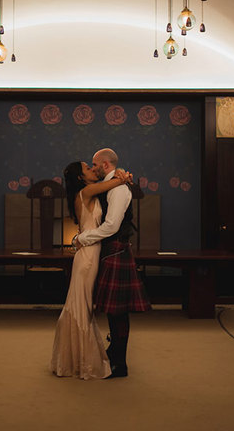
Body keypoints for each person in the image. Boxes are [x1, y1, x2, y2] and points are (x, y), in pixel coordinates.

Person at [73, 148, 151, 378]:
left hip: (116, 250)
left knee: (118, 312)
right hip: (110, 251)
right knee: (112, 310)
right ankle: (115, 353)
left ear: (105, 165)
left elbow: (111, 227)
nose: (93, 168)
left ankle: (120, 363)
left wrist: (82, 239)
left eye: (95, 164)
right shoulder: (111, 184)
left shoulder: (118, 189)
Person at [50, 161, 132, 380]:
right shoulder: (86, 191)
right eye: (88, 168)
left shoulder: (87, 192)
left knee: (82, 305)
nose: (93, 170)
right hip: (88, 256)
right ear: (81, 178)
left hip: (92, 252)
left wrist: (121, 174)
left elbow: (113, 182)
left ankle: (75, 357)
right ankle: (79, 360)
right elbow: (114, 181)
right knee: (81, 306)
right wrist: (123, 175)